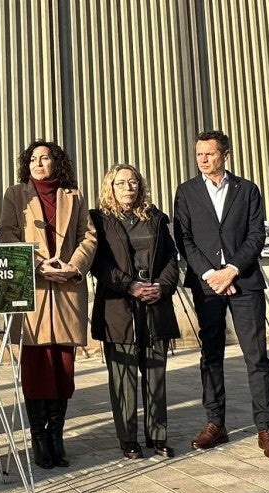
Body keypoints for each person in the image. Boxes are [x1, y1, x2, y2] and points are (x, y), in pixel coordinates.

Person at [173, 130, 269, 460]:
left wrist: (232, 270)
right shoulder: (186, 192)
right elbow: (183, 238)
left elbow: (256, 234)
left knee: (256, 355)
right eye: (199, 154)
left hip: (244, 281)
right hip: (207, 285)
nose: (202, 159)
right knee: (211, 354)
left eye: (209, 153)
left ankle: (266, 428)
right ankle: (215, 423)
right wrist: (212, 275)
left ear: (225, 155)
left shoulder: (247, 190)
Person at [0, 141, 96, 469]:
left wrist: (73, 266)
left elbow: (88, 236)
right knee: (36, 365)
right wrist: (38, 264)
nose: (39, 163)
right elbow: (8, 235)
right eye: (33, 159)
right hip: (33, 289)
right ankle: (39, 438)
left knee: (63, 367)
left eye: (45, 158)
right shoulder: (15, 195)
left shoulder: (74, 196)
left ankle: (57, 435)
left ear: (57, 162)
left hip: (67, 287)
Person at [90, 164, 180, 459]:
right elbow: (98, 264)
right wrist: (129, 286)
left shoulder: (155, 217)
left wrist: (162, 287)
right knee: (123, 375)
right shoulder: (99, 220)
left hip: (155, 303)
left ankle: (158, 435)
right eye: (120, 183)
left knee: (155, 373)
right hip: (118, 306)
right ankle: (128, 438)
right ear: (110, 187)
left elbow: (171, 257)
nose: (128, 187)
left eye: (133, 182)